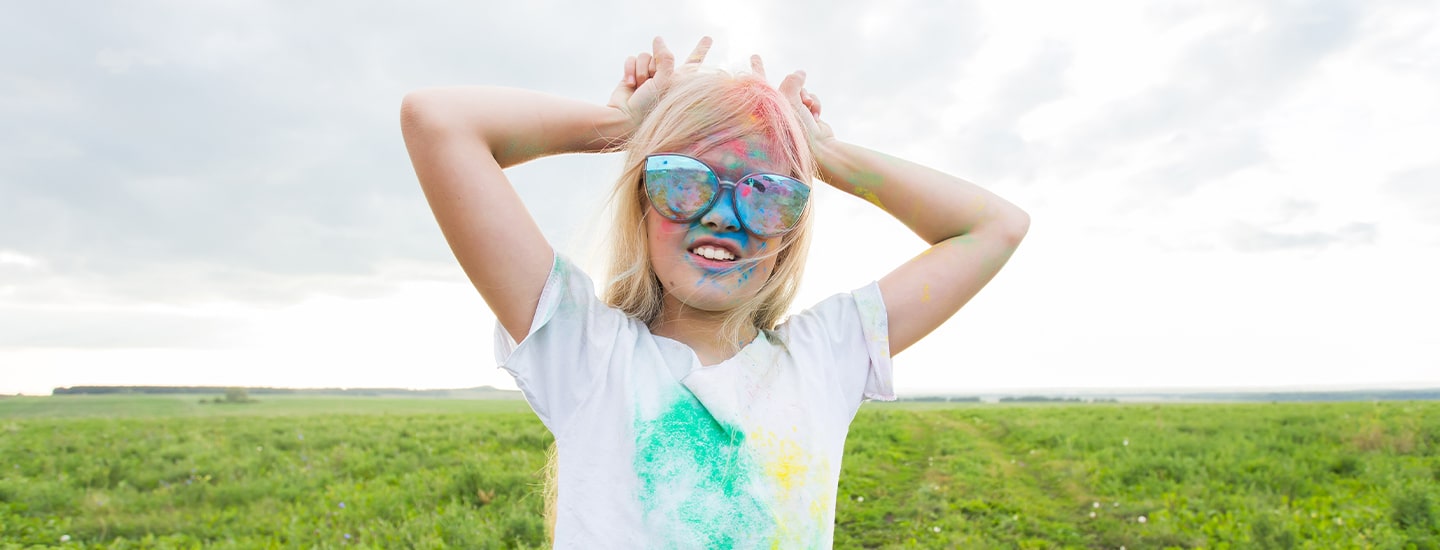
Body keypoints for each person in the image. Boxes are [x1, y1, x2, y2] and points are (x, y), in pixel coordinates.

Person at [400, 36, 1029, 548]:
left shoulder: (824, 357)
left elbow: (994, 227)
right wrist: (622, 125)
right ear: (642, 199)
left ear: (792, 231)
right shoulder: (584, 350)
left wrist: (821, 154)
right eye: (684, 180)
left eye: (766, 192)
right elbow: (438, 122)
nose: (724, 215)